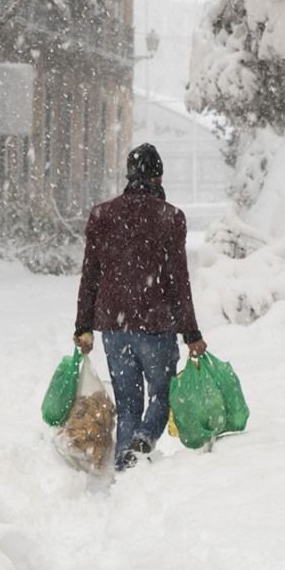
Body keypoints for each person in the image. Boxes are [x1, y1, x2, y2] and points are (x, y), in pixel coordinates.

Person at [74, 143, 206, 471]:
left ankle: (125, 468)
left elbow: (90, 273)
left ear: (130, 176)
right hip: (156, 325)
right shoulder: (170, 218)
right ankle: (144, 439)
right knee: (161, 396)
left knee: (128, 403)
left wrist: (83, 325)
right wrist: (191, 332)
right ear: (158, 177)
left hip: (115, 328)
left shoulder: (103, 215)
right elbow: (179, 279)